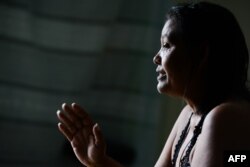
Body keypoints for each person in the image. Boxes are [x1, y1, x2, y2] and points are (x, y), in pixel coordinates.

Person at [56, 2, 250, 167]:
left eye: (166, 45)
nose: (156, 57)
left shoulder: (225, 117)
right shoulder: (189, 115)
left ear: (201, 54)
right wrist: (100, 161)